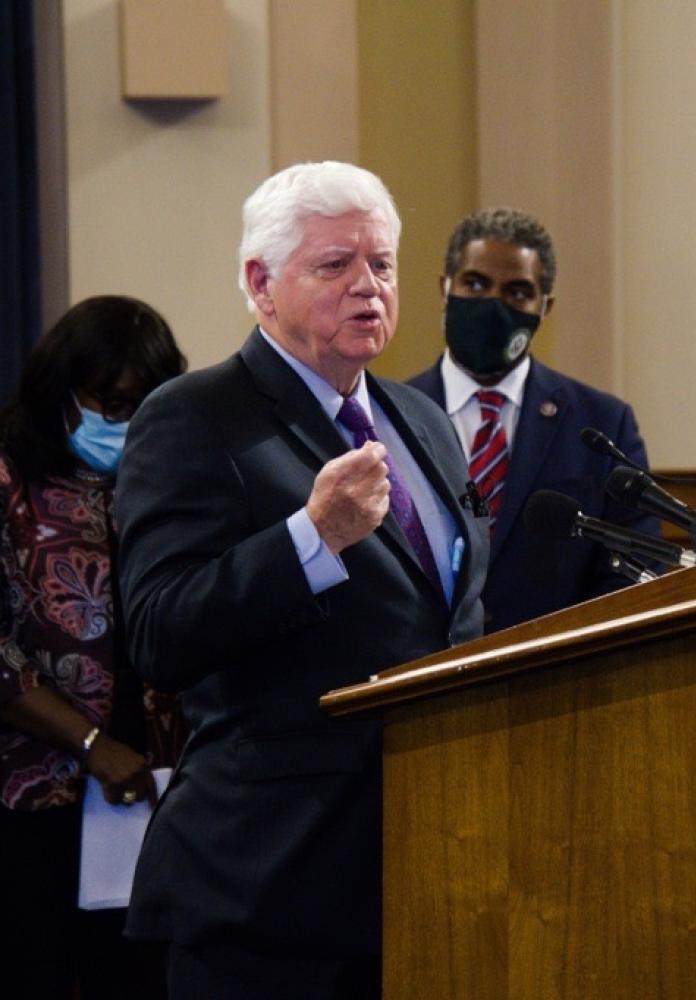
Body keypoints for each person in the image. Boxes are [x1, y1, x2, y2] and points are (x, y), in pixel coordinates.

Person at [114, 162, 488, 999]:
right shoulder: (193, 417)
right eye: (334, 266)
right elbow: (160, 635)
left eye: (382, 264)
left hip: (431, 864)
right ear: (261, 283)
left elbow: (451, 619)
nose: (368, 287)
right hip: (271, 882)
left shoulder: (423, 419)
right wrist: (308, 541)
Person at [0, 295, 188, 1000]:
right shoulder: (11, 475)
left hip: (149, 788)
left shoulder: (157, 478)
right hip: (33, 791)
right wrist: (88, 743)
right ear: (62, 388)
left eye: (145, 405)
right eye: (110, 404)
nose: (127, 424)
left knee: (137, 976)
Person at [408, 207, 658, 632]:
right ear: (444, 288)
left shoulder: (601, 425)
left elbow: (634, 570)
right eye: (475, 283)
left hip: (556, 679)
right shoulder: (389, 415)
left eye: (517, 292)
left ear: (545, 308)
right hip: (420, 676)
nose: (493, 306)